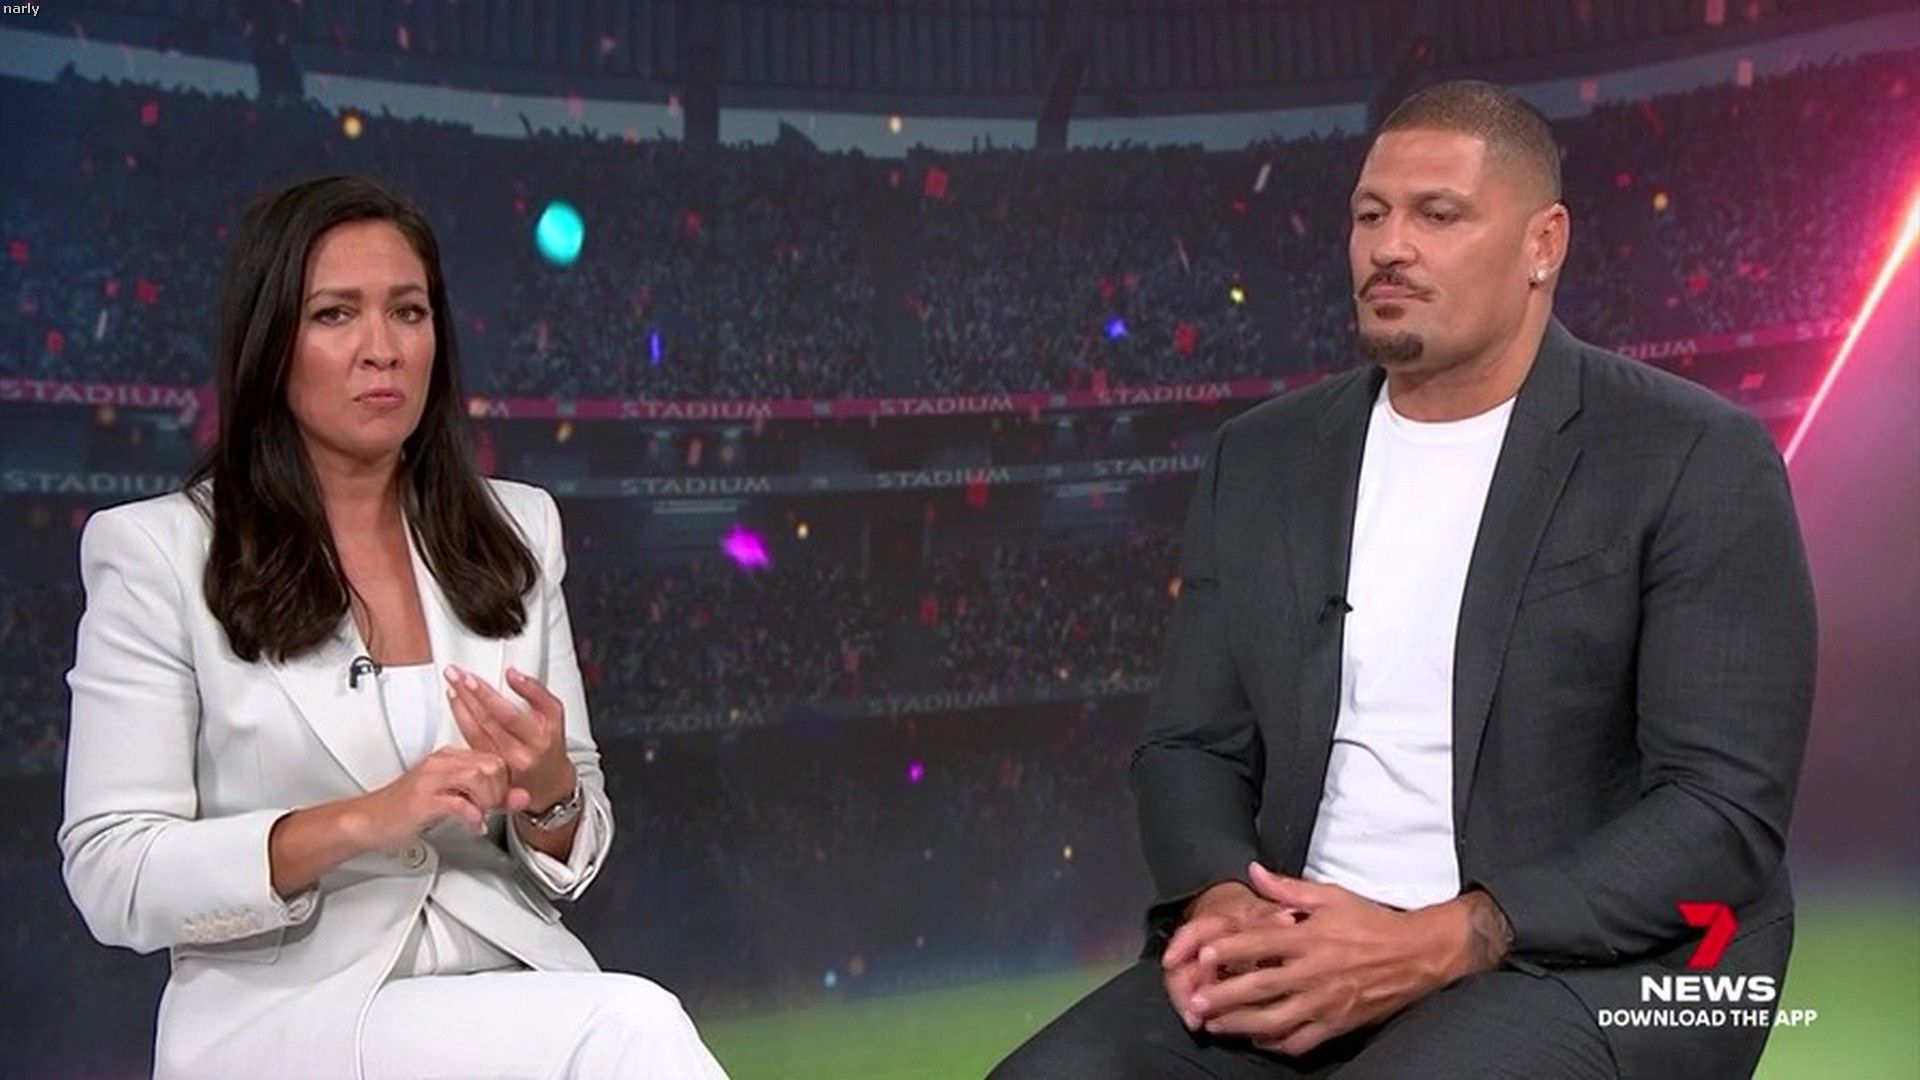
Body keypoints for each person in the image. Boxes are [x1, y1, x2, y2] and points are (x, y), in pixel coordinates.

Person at [993, 80, 1815, 1079]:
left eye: (1438, 215)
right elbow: (1188, 745)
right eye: (1370, 214)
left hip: (1576, 960)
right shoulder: (1259, 458)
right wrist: (1228, 904)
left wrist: (1435, 941)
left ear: (1542, 244)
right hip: (1304, 933)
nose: (1390, 246)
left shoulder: (1692, 455)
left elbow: (1721, 811)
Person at [59, 175, 729, 1080]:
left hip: (505, 984)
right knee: (631, 1028)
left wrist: (552, 794)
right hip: (290, 1019)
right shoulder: (158, 553)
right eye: (335, 315)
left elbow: (577, 840)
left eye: (408, 312)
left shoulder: (518, 529)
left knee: (620, 1023)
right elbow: (114, 870)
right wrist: (363, 821)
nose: (383, 349)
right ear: (270, 342)